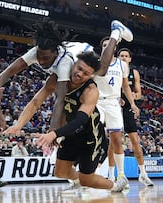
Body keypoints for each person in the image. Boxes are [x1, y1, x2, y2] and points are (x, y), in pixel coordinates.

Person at [9, 52, 128, 192]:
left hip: (90, 137)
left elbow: (80, 120)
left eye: (85, 73)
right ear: (74, 65)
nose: (79, 74)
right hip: (71, 133)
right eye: (79, 68)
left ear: (90, 76)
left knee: (87, 180)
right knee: (60, 172)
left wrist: (55, 134)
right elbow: (36, 102)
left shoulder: (91, 90)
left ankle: (115, 186)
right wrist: (18, 125)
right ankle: (77, 182)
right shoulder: (59, 78)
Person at [0, 19, 132, 132]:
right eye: (39, 57)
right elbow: (9, 71)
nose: (41, 62)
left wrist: (53, 131)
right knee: (52, 89)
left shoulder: (64, 65)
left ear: (55, 53)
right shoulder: (37, 51)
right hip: (70, 53)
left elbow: (60, 100)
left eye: (46, 58)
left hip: (82, 54)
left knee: (101, 71)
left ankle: (115, 32)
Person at [93, 38, 140, 185]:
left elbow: (126, 86)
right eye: (104, 45)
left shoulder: (122, 65)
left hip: (114, 103)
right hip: (98, 102)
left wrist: (132, 103)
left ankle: (121, 175)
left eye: (109, 45)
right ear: (101, 48)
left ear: (114, 48)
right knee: (95, 137)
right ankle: (93, 172)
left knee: (116, 140)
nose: (107, 47)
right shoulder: (95, 63)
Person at [106, 47, 153, 186]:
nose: (124, 58)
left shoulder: (134, 73)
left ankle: (143, 174)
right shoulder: (112, 70)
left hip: (128, 108)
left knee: (135, 141)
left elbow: (139, 93)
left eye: (126, 56)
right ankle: (111, 175)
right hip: (114, 107)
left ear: (130, 59)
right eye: (121, 55)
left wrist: (134, 96)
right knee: (113, 143)